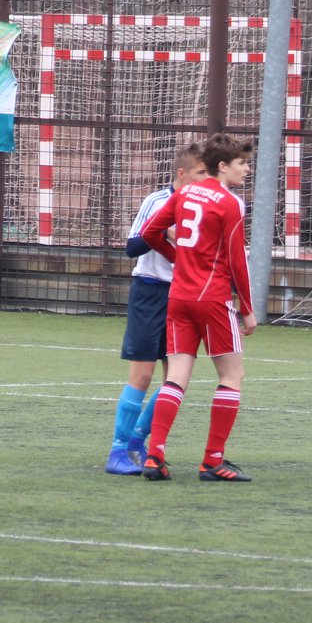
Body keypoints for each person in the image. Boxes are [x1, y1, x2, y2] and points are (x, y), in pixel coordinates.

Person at [136, 133, 259, 482]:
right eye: (241, 163)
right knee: (231, 376)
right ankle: (212, 461)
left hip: (179, 297)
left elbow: (150, 233)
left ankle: (154, 456)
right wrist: (247, 308)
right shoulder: (231, 203)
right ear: (222, 166)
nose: (247, 169)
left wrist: (178, 259)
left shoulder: (185, 192)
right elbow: (237, 261)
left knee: (176, 377)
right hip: (213, 299)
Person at [108, 143, 208, 475]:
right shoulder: (157, 201)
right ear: (182, 174)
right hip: (150, 292)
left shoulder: (207, 206)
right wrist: (164, 230)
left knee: (175, 379)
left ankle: (138, 441)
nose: (206, 178)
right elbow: (132, 247)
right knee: (142, 374)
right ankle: (117, 451)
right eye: (201, 173)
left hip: (184, 296)